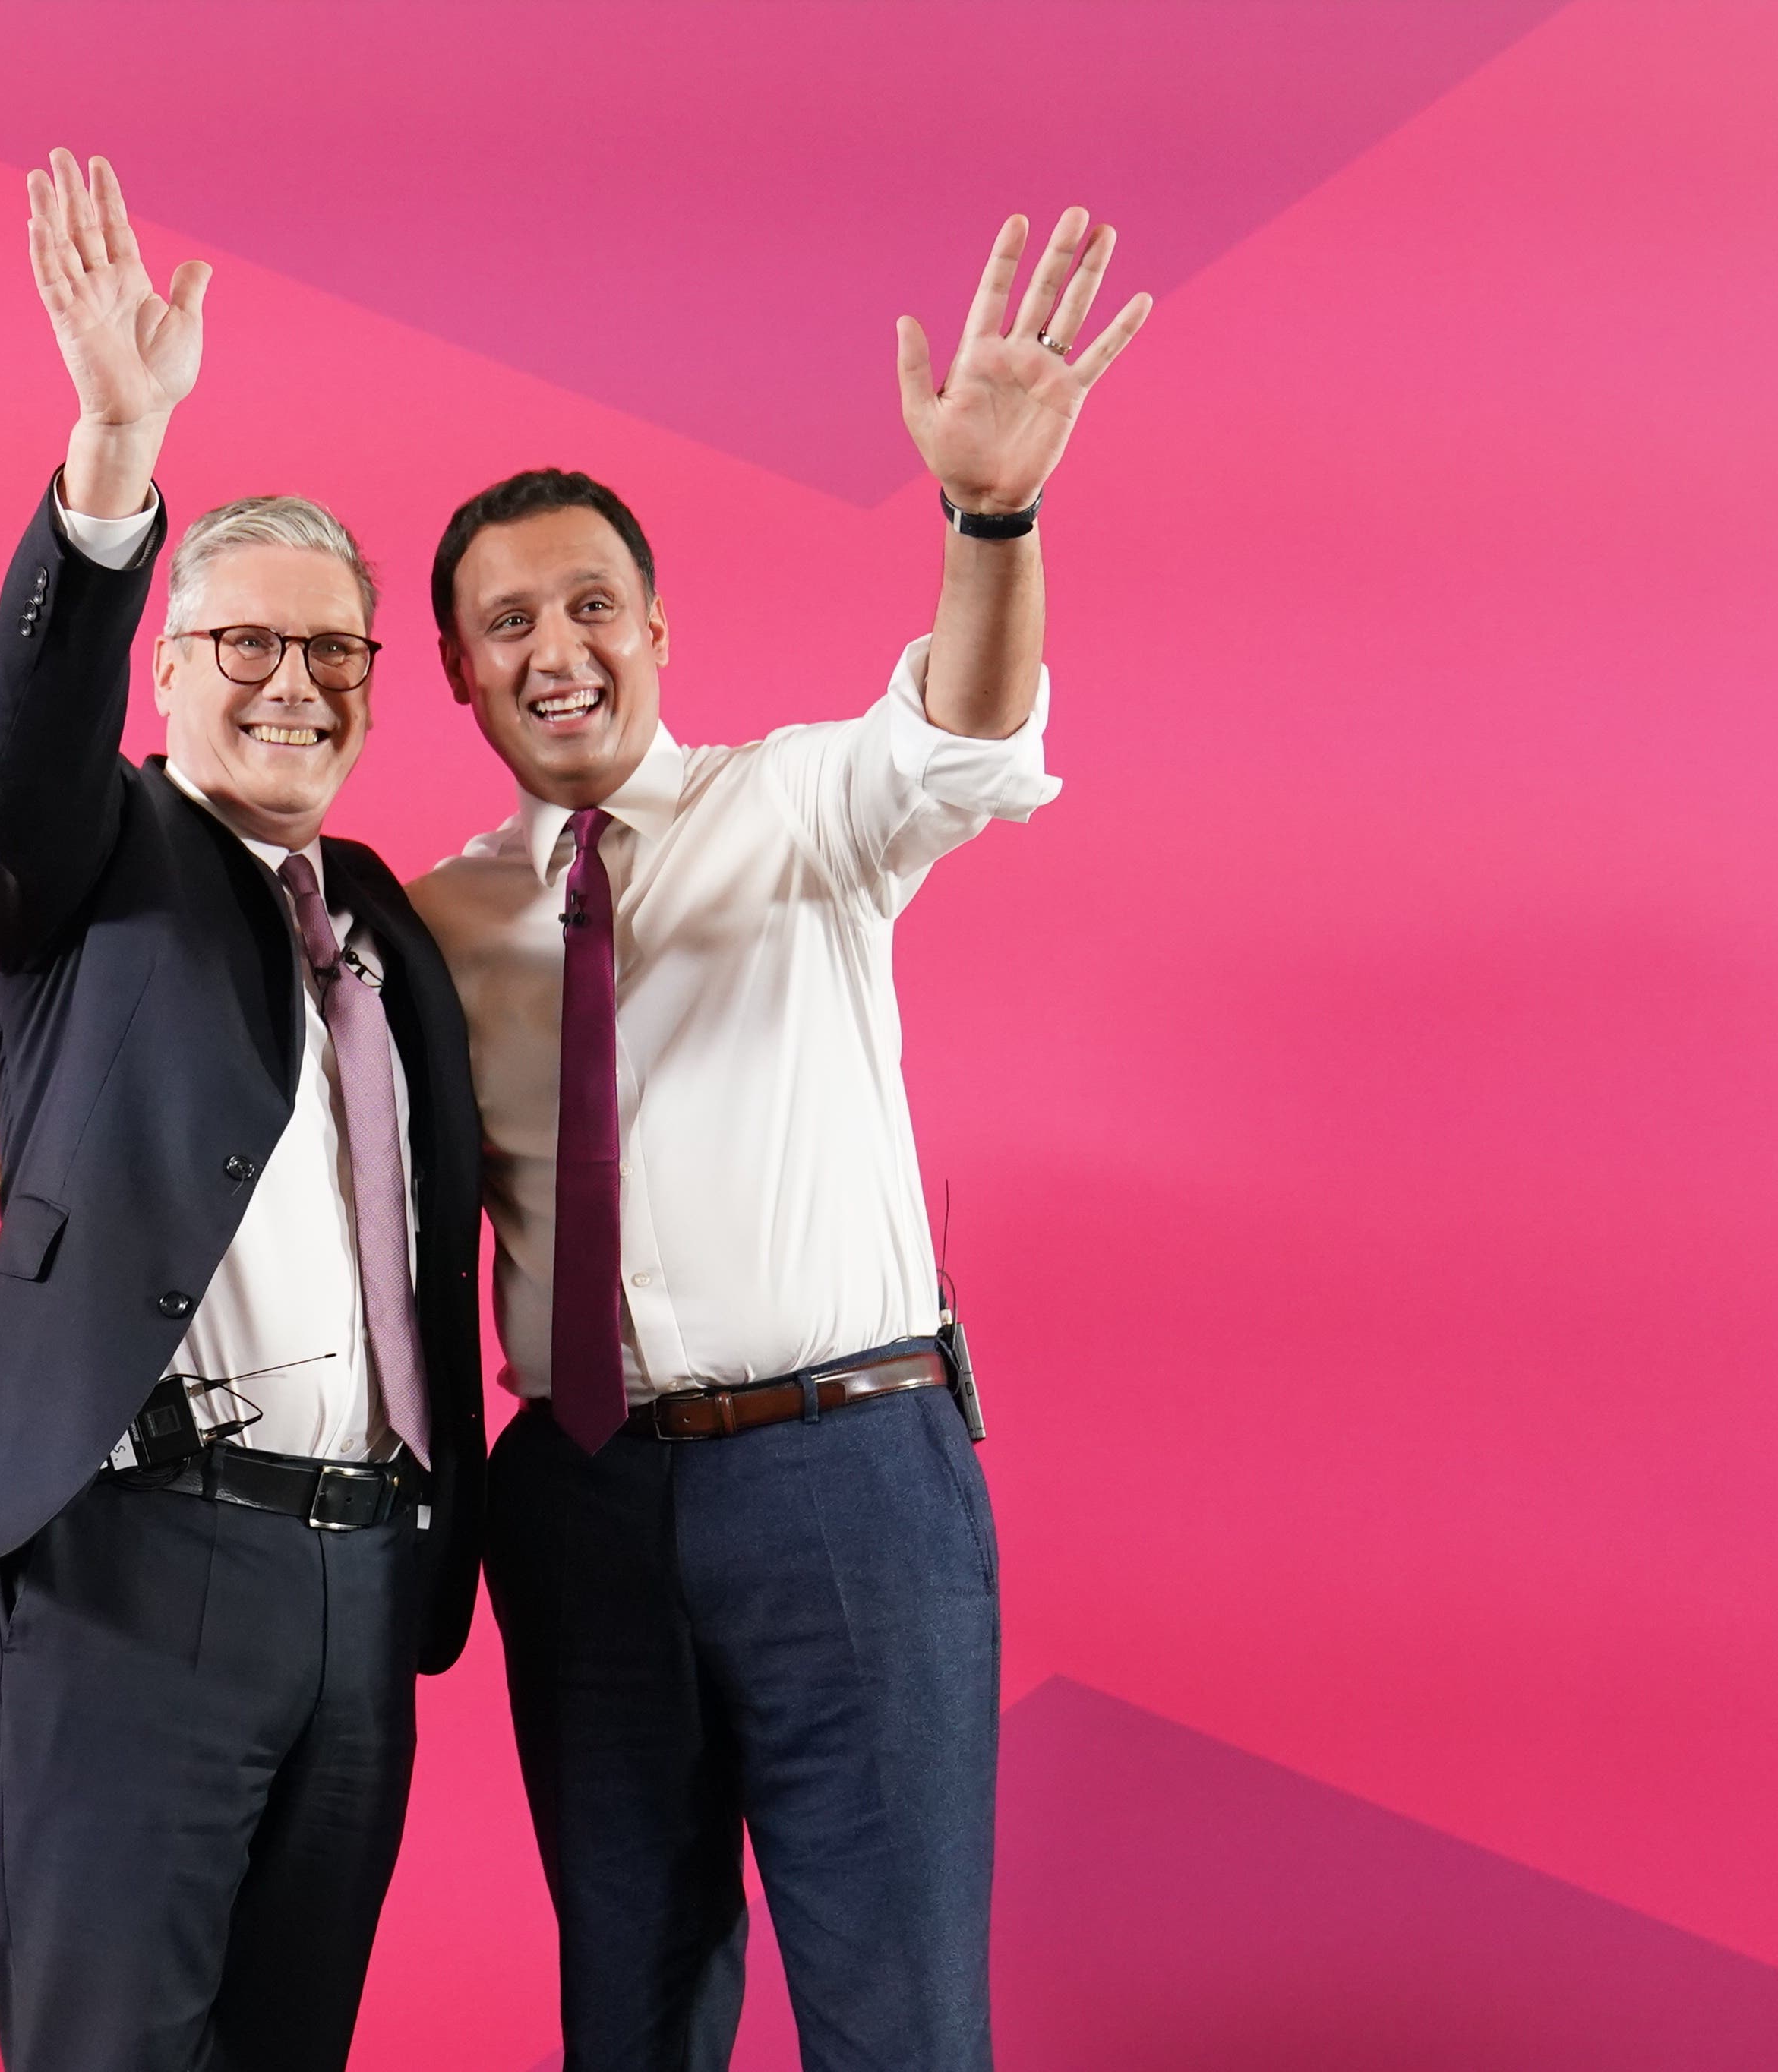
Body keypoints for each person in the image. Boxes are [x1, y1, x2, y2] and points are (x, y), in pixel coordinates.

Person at [405, 210, 1152, 2070]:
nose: (556, 647)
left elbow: (963, 736)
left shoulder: (801, 808)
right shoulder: (426, 926)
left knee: (897, 2017)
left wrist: (990, 519)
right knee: (629, 2017)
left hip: (842, 1473)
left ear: (658, 629)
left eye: (591, 606)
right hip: (574, 1503)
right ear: (456, 671)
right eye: (510, 622)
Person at [0, 150, 488, 2072]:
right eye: (247, 641)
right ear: (168, 669)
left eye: (336, 652)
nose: (295, 684)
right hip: (137, 1554)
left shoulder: (385, 926)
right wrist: (113, 460)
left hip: (357, 1582)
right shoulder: (90, 855)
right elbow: (22, 743)